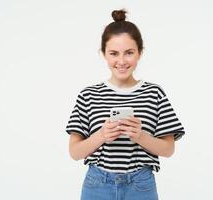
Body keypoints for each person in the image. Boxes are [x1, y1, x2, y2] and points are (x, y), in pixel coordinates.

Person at [65, 9, 185, 200]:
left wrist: (140, 136)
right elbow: (74, 152)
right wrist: (102, 135)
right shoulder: (88, 95)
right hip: (97, 184)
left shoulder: (154, 93)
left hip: (140, 185)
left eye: (129, 53)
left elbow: (168, 150)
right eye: (114, 53)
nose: (121, 61)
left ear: (140, 52)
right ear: (104, 54)